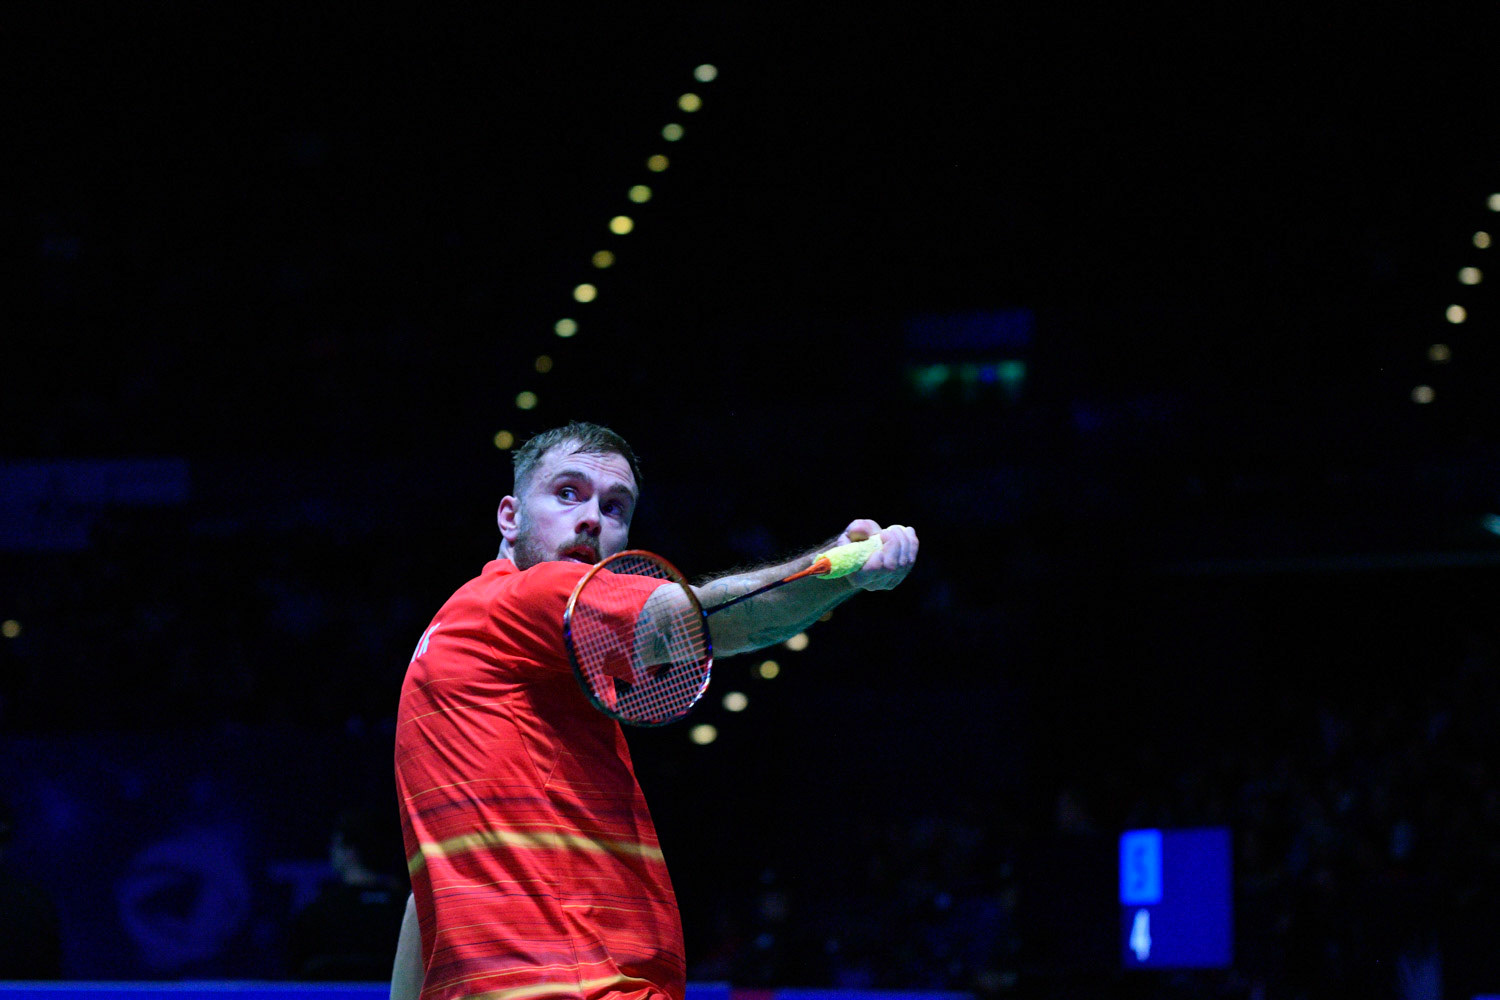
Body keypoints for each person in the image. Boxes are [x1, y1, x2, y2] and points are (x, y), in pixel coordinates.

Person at [392, 421, 918, 1000]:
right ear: (510, 517)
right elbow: (708, 620)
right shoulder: (533, 595)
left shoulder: (458, 635)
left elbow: (431, 892)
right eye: (567, 493)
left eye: (615, 507)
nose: (591, 517)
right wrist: (840, 567)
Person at [288, 809, 408, 979]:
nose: (330, 851)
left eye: (334, 845)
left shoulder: (315, 914)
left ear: (350, 851)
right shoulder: (409, 912)